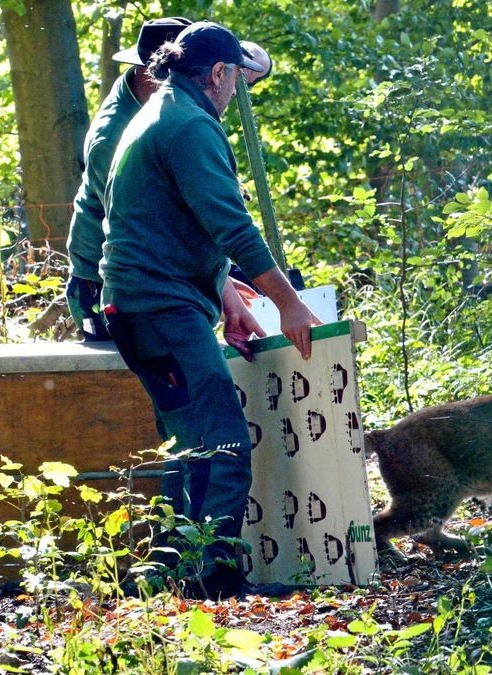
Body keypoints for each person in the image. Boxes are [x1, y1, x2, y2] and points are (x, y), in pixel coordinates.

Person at [100, 20, 320, 599]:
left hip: (136, 304)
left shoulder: (157, 112)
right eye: (234, 81)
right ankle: (215, 578)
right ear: (218, 73)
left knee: (187, 442)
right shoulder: (191, 126)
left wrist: (227, 297)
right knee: (224, 442)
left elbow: (171, 221)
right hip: (162, 308)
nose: (234, 93)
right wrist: (290, 305)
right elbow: (232, 226)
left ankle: (165, 573)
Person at [64, 18, 272, 341]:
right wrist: (225, 289)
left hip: (160, 269)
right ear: (154, 73)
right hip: (104, 284)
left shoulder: (167, 110)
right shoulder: (115, 138)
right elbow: (149, 228)